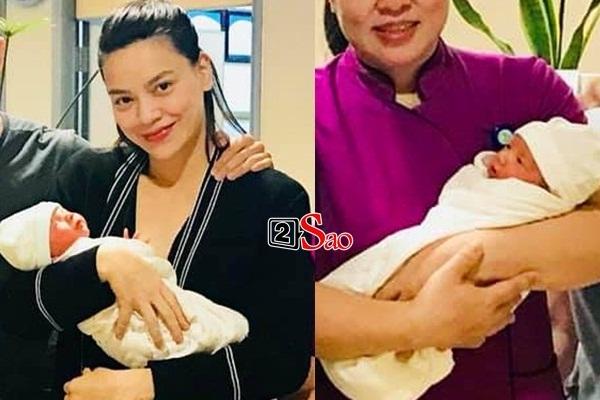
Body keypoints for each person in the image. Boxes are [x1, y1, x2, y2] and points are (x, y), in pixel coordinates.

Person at [315, 1, 598, 399]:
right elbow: (279, 299)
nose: (393, 4)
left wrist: (446, 259)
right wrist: (420, 324)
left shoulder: (526, 88)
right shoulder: (300, 115)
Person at [0, 11, 278, 400]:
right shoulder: (90, 179)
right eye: (124, 99)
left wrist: (148, 386)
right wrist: (102, 261)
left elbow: (284, 359)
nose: (147, 114)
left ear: (203, 70)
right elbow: (20, 310)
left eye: (162, 86)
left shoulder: (272, 200)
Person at [319, 117, 600, 400]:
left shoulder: (536, 103)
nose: (501, 157)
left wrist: (445, 265)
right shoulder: (323, 120)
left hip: (506, 376)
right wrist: (415, 321)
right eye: (507, 147)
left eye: (518, 159)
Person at [0, 201, 249, 369]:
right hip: (118, 332)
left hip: (128, 356)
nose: (70, 216)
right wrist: (116, 255)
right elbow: (18, 312)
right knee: (182, 329)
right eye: (58, 222)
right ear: (47, 251)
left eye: (64, 210)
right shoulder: (77, 253)